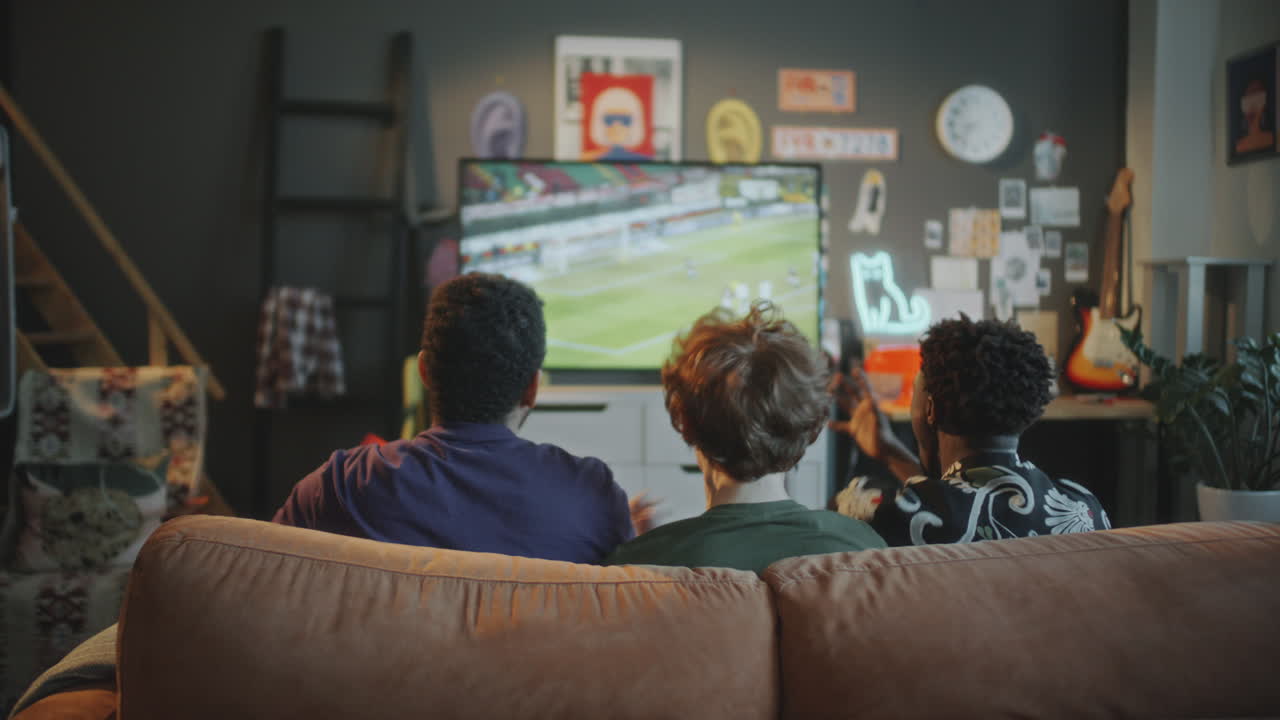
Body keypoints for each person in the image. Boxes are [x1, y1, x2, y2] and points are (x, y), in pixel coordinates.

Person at [273, 273, 640, 564]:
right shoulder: (594, 497)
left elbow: (263, 579)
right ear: (532, 388)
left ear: (424, 372)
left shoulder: (341, 485)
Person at [603, 303, 885, 573]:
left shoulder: (635, 565)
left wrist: (648, 552)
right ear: (813, 428)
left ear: (684, 423)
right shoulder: (864, 548)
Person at [830, 316, 1110, 546]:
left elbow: (830, 523)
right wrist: (892, 453)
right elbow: (964, 494)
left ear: (931, 409)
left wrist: (900, 454)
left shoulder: (882, 513)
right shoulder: (1084, 510)